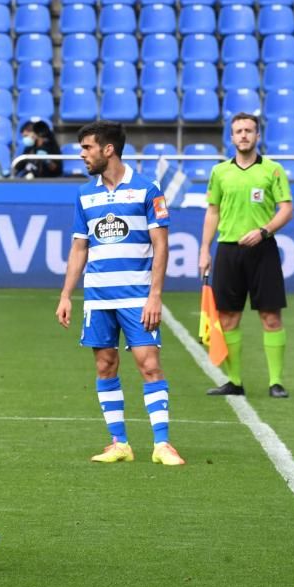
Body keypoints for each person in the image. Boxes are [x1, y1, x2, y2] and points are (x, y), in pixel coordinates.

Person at [55, 120, 185, 467]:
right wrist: (67, 294)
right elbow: (80, 248)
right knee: (105, 364)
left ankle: (162, 444)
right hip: (98, 298)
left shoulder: (147, 189)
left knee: (149, 365)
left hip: (137, 297)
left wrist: (155, 295)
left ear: (107, 149)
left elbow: (161, 246)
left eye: (87, 148)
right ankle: (120, 443)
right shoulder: (85, 194)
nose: (82, 154)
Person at [199, 113, 293, 398]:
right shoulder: (220, 172)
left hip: (263, 250)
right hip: (228, 250)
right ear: (231, 137)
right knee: (228, 318)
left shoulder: (273, 170)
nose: (243, 135)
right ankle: (235, 381)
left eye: (248, 130)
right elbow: (212, 211)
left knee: (271, 317)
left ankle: (275, 382)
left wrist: (263, 231)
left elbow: (286, 209)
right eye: (238, 131)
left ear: (257, 135)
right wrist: (205, 249)